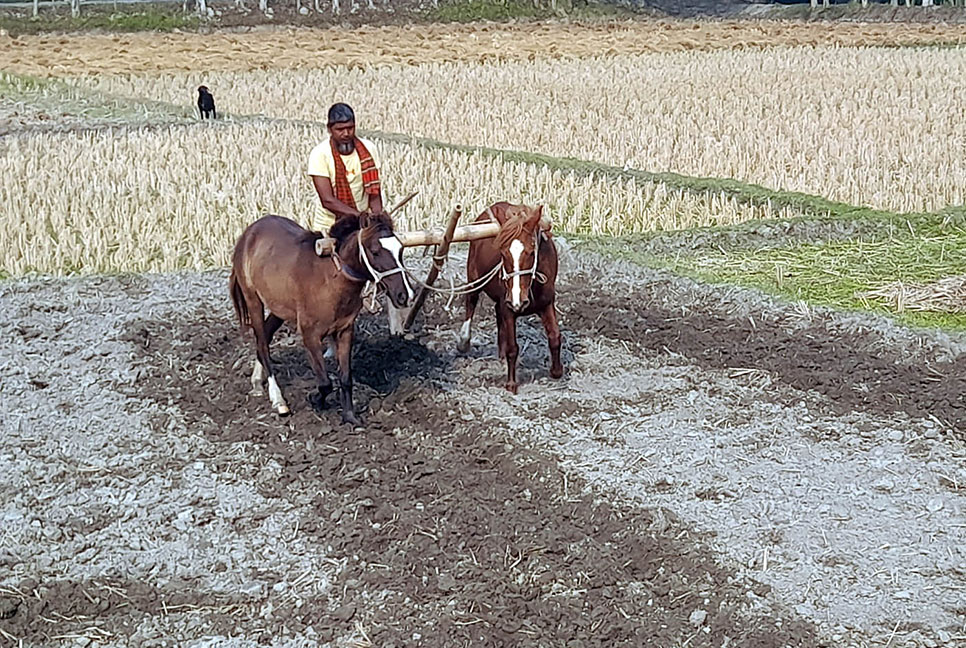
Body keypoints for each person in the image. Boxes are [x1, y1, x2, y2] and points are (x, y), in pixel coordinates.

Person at [307, 103, 385, 248]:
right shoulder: (320, 154)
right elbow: (327, 200)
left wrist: (378, 219)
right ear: (330, 130)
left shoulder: (369, 149)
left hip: (361, 226)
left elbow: (374, 191)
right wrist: (358, 216)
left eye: (350, 128)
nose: (346, 133)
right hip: (330, 227)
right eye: (340, 130)